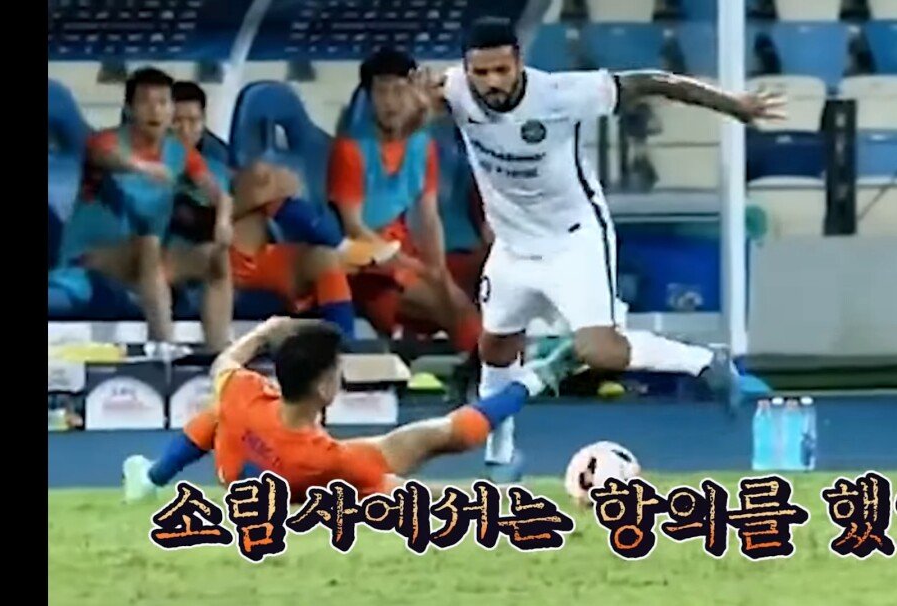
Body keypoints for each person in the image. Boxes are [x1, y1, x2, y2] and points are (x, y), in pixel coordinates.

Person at [409, 17, 786, 467]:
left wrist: (733, 105)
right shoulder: (453, 89)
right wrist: (419, 106)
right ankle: (501, 454)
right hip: (511, 247)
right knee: (495, 348)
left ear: (519, 63)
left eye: (502, 70)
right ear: (467, 69)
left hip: (574, 239)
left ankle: (704, 361)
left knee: (601, 352)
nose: (492, 82)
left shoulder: (561, 93)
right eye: (481, 72)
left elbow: (651, 82)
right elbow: (411, 120)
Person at [122, 316, 575, 503]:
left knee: (217, 413)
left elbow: (224, 363)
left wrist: (263, 332)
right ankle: (536, 379)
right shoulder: (328, 459)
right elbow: (412, 494)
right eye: (337, 371)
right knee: (438, 436)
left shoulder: (243, 392)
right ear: (324, 386)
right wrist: (492, 498)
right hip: (305, 482)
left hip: (240, 475)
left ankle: (152, 478)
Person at [169, 80, 376, 341]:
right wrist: (257, 196)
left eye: (193, 121)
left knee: (325, 260)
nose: (186, 130)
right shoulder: (157, 167)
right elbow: (195, 224)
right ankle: (341, 243)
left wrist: (263, 193)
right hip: (210, 260)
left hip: (256, 255)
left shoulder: (215, 157)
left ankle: (345, 348)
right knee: (262, 180)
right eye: (177, 121)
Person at [48, 67, 235, 350]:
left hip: (149, 265)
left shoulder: (179, 151)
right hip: (92, 257)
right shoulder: (106, 141)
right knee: (148, 245)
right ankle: (163, 347)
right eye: (146, 102)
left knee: (215, 257)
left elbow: (218, 193)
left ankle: (219, 352)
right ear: (129, 109)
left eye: (162, 102)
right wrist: (141, 166)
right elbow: (105, 155)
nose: (155, 110)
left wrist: (223, 221)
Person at [328, 49, 483, 357]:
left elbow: (428, 218)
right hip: (364, 264)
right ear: (369, 97)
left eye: (399, 91)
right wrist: (412, 266)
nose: (390, 102)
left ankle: (487, 367)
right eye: (381, 92)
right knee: (450, 306)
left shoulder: (423, 147)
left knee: (457, 296)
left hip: (403, 255)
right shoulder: (350, 150)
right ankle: (487, 369)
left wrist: (437, 270)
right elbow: (354, 228)